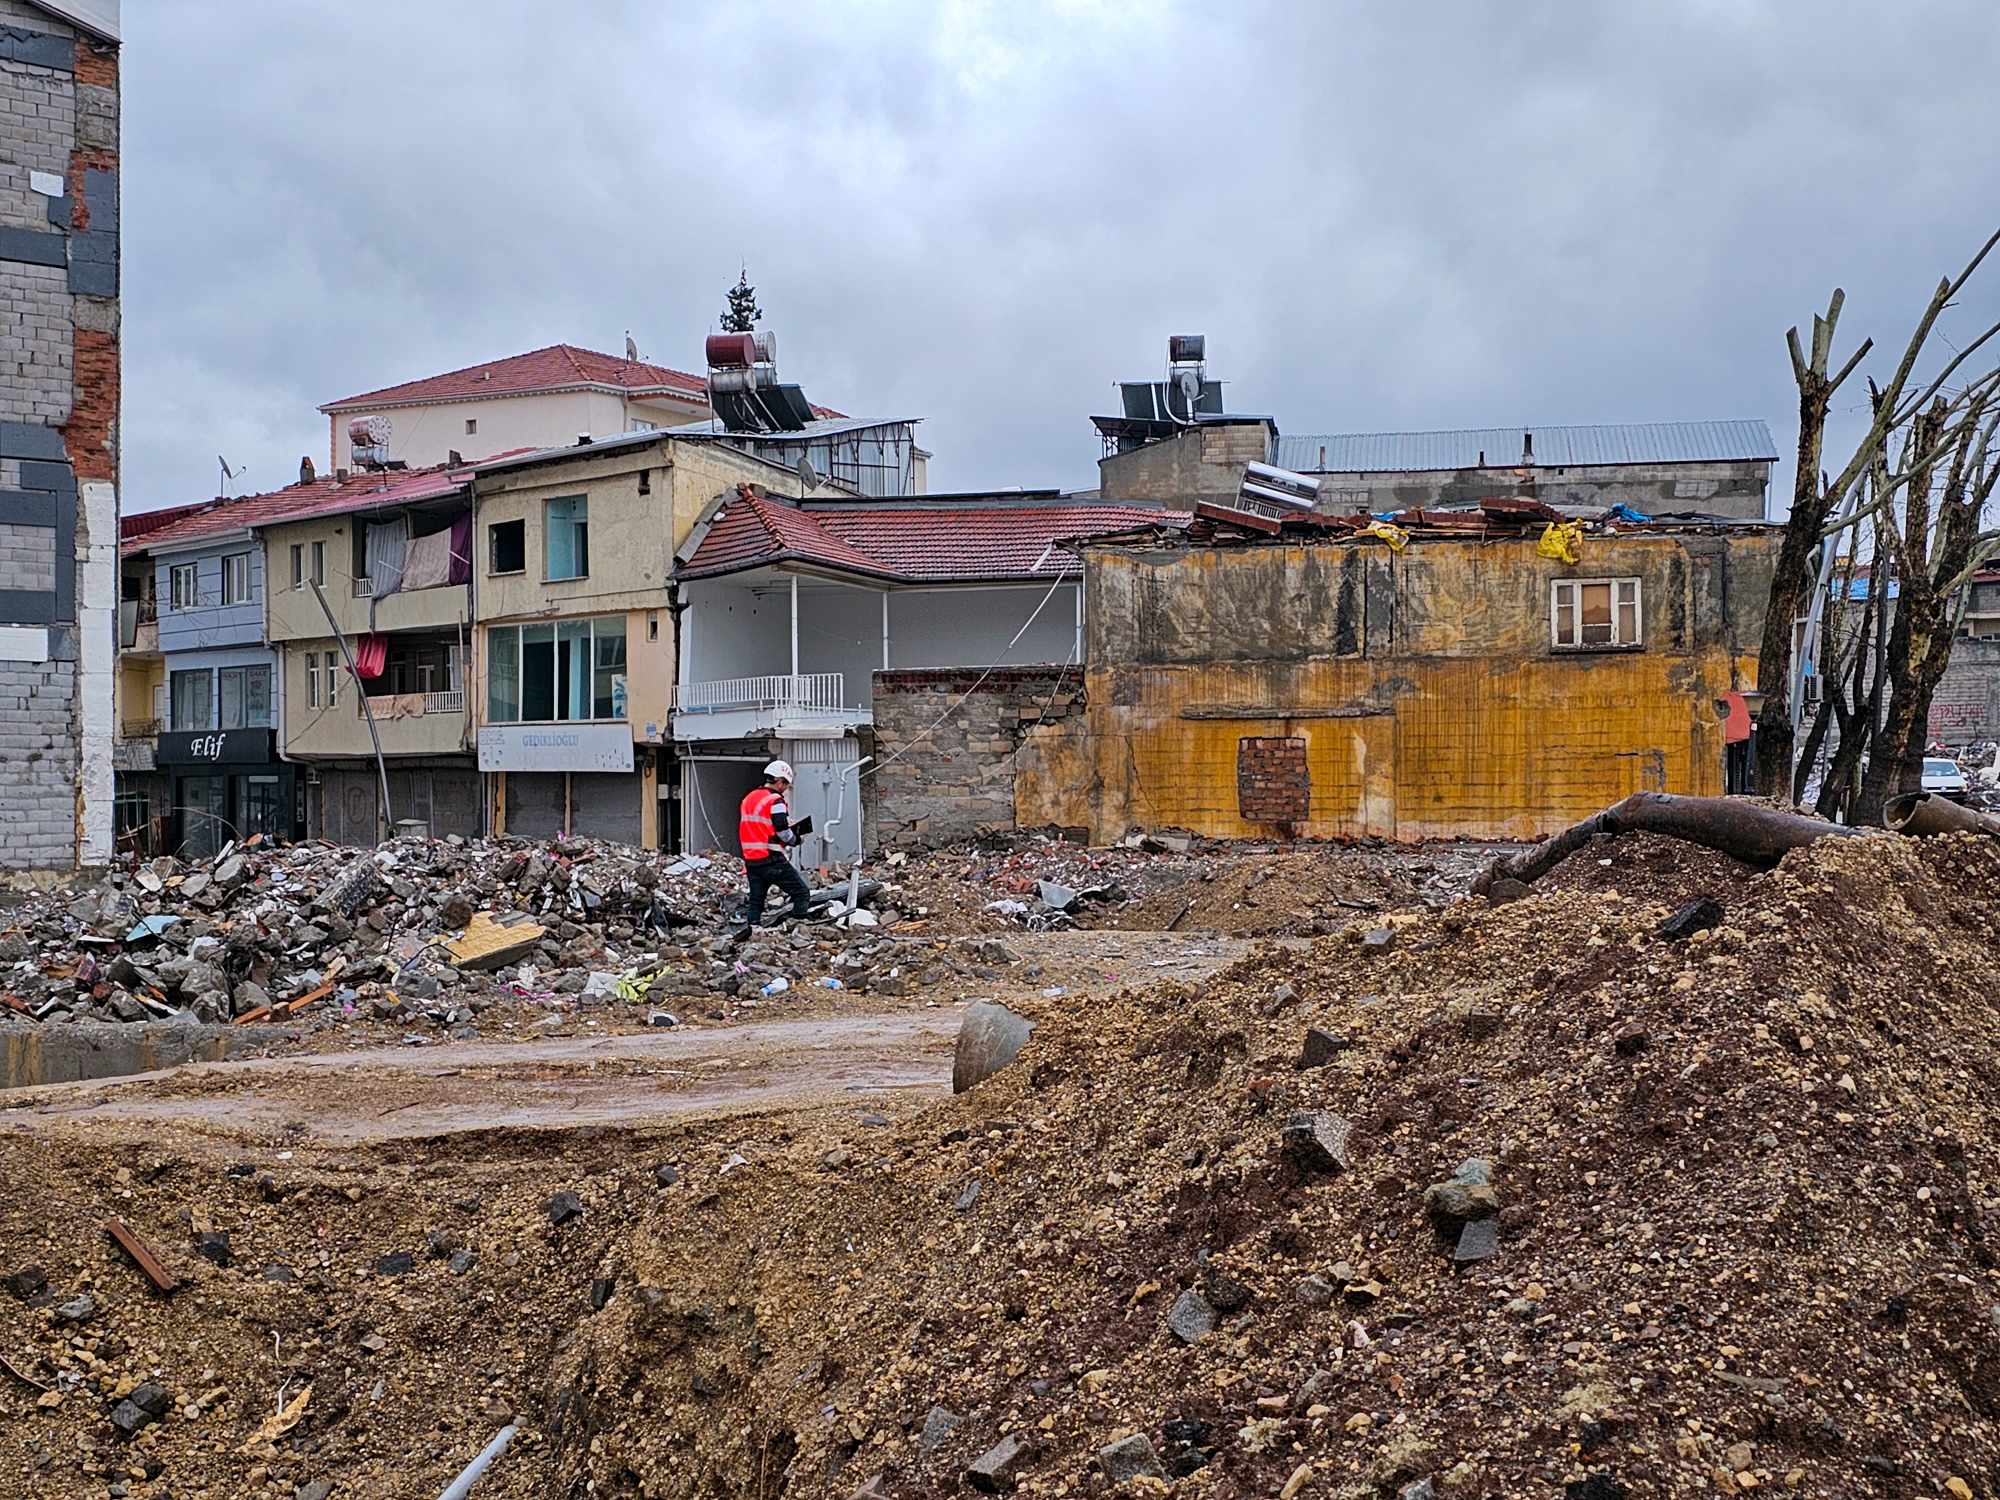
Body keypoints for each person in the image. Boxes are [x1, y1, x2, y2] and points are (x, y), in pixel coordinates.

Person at [738, 759, 812, 926]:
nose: (785, 790)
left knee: (756, 901)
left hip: (752, 860)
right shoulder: (775, 800)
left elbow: (760, 825)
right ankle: (800, 927)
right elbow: (782, 831)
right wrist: (796, 840)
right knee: (801, 892)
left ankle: (752, 931)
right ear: (780, 782)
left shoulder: (749, 798)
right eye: (785, 785)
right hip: (771, 858)